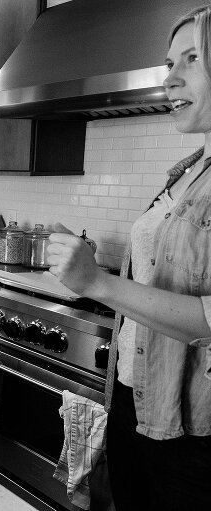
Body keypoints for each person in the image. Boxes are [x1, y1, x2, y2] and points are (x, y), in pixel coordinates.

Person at [45, 6, 211, 510]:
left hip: (191, 427)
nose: (170, 78)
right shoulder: (186, 172)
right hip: (136, 397)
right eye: (168, 63)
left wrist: (97, 283)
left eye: (193, 58)